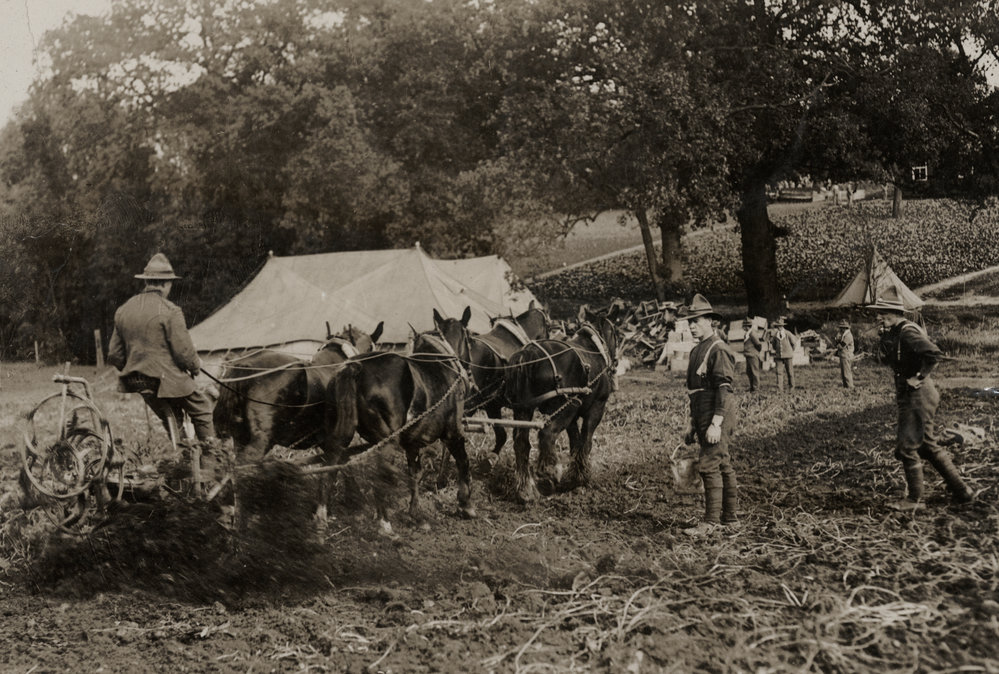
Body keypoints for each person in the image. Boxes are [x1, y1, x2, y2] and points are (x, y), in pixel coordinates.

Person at [868, 288, 974, 510]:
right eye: (878, 312)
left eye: (882, 312)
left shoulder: (907, 332)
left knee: (907, 447)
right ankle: (963, 492)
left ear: (893, 312)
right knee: (927, 446)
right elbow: (890, 357)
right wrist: (884, 337)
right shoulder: (896, 331)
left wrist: (919, 376)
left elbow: (934, 354)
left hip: (918, 395)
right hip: (914, 395)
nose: (878, 316)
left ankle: (915, 500)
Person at [107, 253, 216, 441]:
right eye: (170, 284)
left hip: (137, 381)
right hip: (166, 380)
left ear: (147, 282)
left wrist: (136, 366)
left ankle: (183, 456)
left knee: (172, 418)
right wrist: (196, 366)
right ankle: (211, 457)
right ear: (166, 284)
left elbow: (115, 355)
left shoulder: (123, 310)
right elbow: (184, 355)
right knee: (202, 409)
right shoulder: (170, 311)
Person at [680, 294, 739, 536]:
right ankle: (730, 519)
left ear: (710, 322)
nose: (692, 326)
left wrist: (716, 423)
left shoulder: (719, 349)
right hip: (702, 411)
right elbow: (695, 393)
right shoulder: (697, 350)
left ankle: (711, 522)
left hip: (718, 412)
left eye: (697, 321)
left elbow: (724, 390)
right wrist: (692, 424)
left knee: (709, 464)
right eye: (689, 322)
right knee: (722, 463)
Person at [770, 318, 799, 390]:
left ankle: (791, 387)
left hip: (788, 355)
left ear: (783, 326)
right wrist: (777, 351)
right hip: (779, 356)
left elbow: (794, 343)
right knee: (779, 372)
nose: (779, 327)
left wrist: (790, 351)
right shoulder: (775, 335)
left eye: (780, 326)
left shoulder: (787, 333)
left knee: (790, 371)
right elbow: (773, 345)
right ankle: (780, 388)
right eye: (777, 326)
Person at [742, 318, 762, 393]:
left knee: (755, 372)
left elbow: (758, 344)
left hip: (753, 355)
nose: (743, 328)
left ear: (748, 326)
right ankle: (752, 387)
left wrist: (755, 352)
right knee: (749, 371)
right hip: (748, 355)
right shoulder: (747, 334)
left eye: (744, 326)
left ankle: (756, 388)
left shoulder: (752, 333)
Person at [835, 319, 855, 389]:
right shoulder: (844, 335)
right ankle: (846, 387)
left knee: (846, 373)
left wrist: (837, 340)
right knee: (844, 373)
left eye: (841, 328)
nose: (840, 329)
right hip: (843, 356)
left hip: (846, 356)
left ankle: (850, 387)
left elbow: (840, 346)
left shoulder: (848, 336)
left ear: (845, 328)